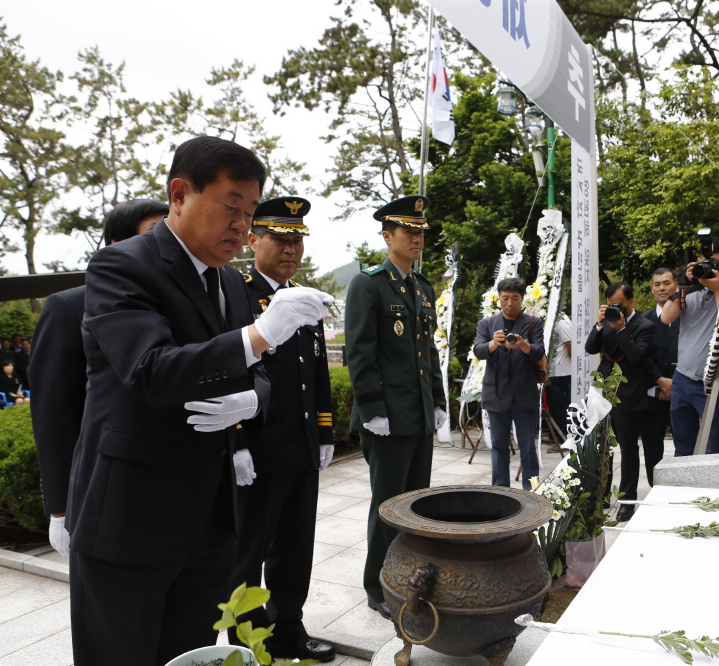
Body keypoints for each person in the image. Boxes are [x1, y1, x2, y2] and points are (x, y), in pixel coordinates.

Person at [66, 136, 332, 666]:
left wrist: (253, 399)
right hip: (132, 517)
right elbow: (150, 369)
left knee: (190, 655)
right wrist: (260, 334)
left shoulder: (228, 283)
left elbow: (254, 375)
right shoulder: (122, 266)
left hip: (210, 521)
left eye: (249, 211)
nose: (241, 224)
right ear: (180, 194)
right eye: (231, 205)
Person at [30, 198, 170, 561]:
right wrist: (60, 506)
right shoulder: (69, 306)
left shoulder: (178, 304)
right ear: (117, 246)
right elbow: (53, 412)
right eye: (156, 233)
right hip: (103, 485)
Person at [228, 196, 336, 663]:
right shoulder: (236, 294)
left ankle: (289, 628)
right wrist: (236, 441)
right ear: (253, 240)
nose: (291, 249)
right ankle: (249, 642)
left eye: (297, 241)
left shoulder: (303, 297)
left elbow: (317, 371)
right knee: (247, 552)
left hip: (300, 445)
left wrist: (325, 432)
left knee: (294, 547)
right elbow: (230, 370)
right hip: (258, 449)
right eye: (279, 238)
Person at [344, 195, 446, 620]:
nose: (417, 238)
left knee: (416, 505)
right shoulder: (368, 284)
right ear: (388, 236)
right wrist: (372, 410)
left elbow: (429, 352)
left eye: (421, 231)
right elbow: (359, 351)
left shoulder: (422, 287)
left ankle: (408, 580)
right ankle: (378, 585)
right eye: (409, 231)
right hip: (386, 418)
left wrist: (438, 401)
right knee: (388, 506)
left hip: (418, 414)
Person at [661, 241, 719, 456]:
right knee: (683, 444)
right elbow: (666, 317)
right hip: (682, 378)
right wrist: (683, 285)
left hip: (713, 382)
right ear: (699, 262)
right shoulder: (689, 290)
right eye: (711, 262)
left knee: (714, 447)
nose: (716, 267)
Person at [585, 283, 655, 521]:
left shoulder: (645, 326)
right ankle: (602, 496)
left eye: (620, 304)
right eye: (611, 304)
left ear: (631, 302)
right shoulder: (607, 321)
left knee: (628, 448)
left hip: (630, 394)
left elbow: (636, 356)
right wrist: (599, 324)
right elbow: (590, 348)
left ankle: (627, 500)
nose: (615, 308)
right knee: (602, 447)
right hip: (604, 392)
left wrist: (622, 329)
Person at [473, 277, 546, 490]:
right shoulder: (487, 324)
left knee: (527, 447)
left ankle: (532, 491)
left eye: (515, 298)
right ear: (499, 298)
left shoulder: (533, 323)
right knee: (498, 446)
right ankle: (500, 491)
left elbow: (539, 352)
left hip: (524, 394)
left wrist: (523, 345)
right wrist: (493, 343)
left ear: (522, 299)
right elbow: (478, 351)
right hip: (496, 394)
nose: (510, 303)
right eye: (505, 298)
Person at [633, 268, 680, 504]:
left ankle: (683, 488)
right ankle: (656, 491)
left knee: (685, 444)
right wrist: (660, 382)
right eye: (657, 284)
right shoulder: (642, 321)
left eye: (666, 283)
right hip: (652, 393)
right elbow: (640, 356)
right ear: (652, 289)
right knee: (652, 446)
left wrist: (674, 385)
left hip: (682, 393)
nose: (662, 288)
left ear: (677, 286)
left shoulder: (689, 316)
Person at [546, 314, 573, 451]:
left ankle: (565, 439)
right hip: (552, 371)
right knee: (553, 405)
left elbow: (571, 346)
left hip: (562, 372)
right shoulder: (551, 317)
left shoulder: (561, 320)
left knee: (561, 406)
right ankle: (555, 435)